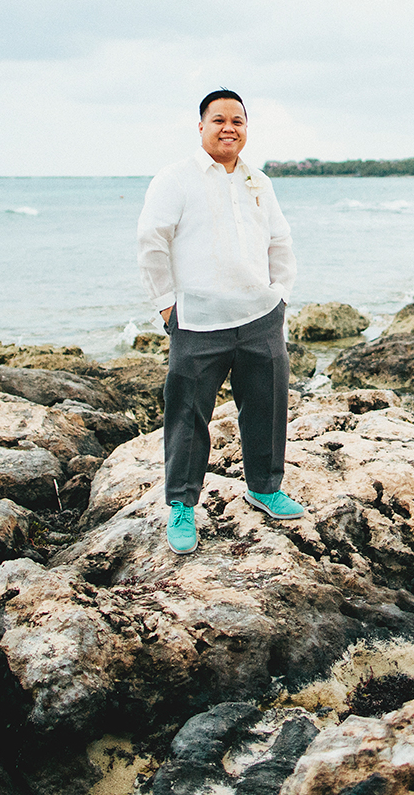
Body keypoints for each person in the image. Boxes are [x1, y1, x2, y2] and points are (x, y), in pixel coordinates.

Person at [137, 89, 306, 555]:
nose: (229, 128)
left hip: (260, 317)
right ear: (201, 127)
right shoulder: (175, 179)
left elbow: (280, 241)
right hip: (197, 321)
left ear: (246, 128)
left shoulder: (259, 181)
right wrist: (166, 306)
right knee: (188, 415)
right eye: (219, 120)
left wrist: (280, 296)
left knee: (267, 406)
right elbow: (151, 241)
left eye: (238, 120)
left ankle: (265, 488)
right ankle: (182, 506)